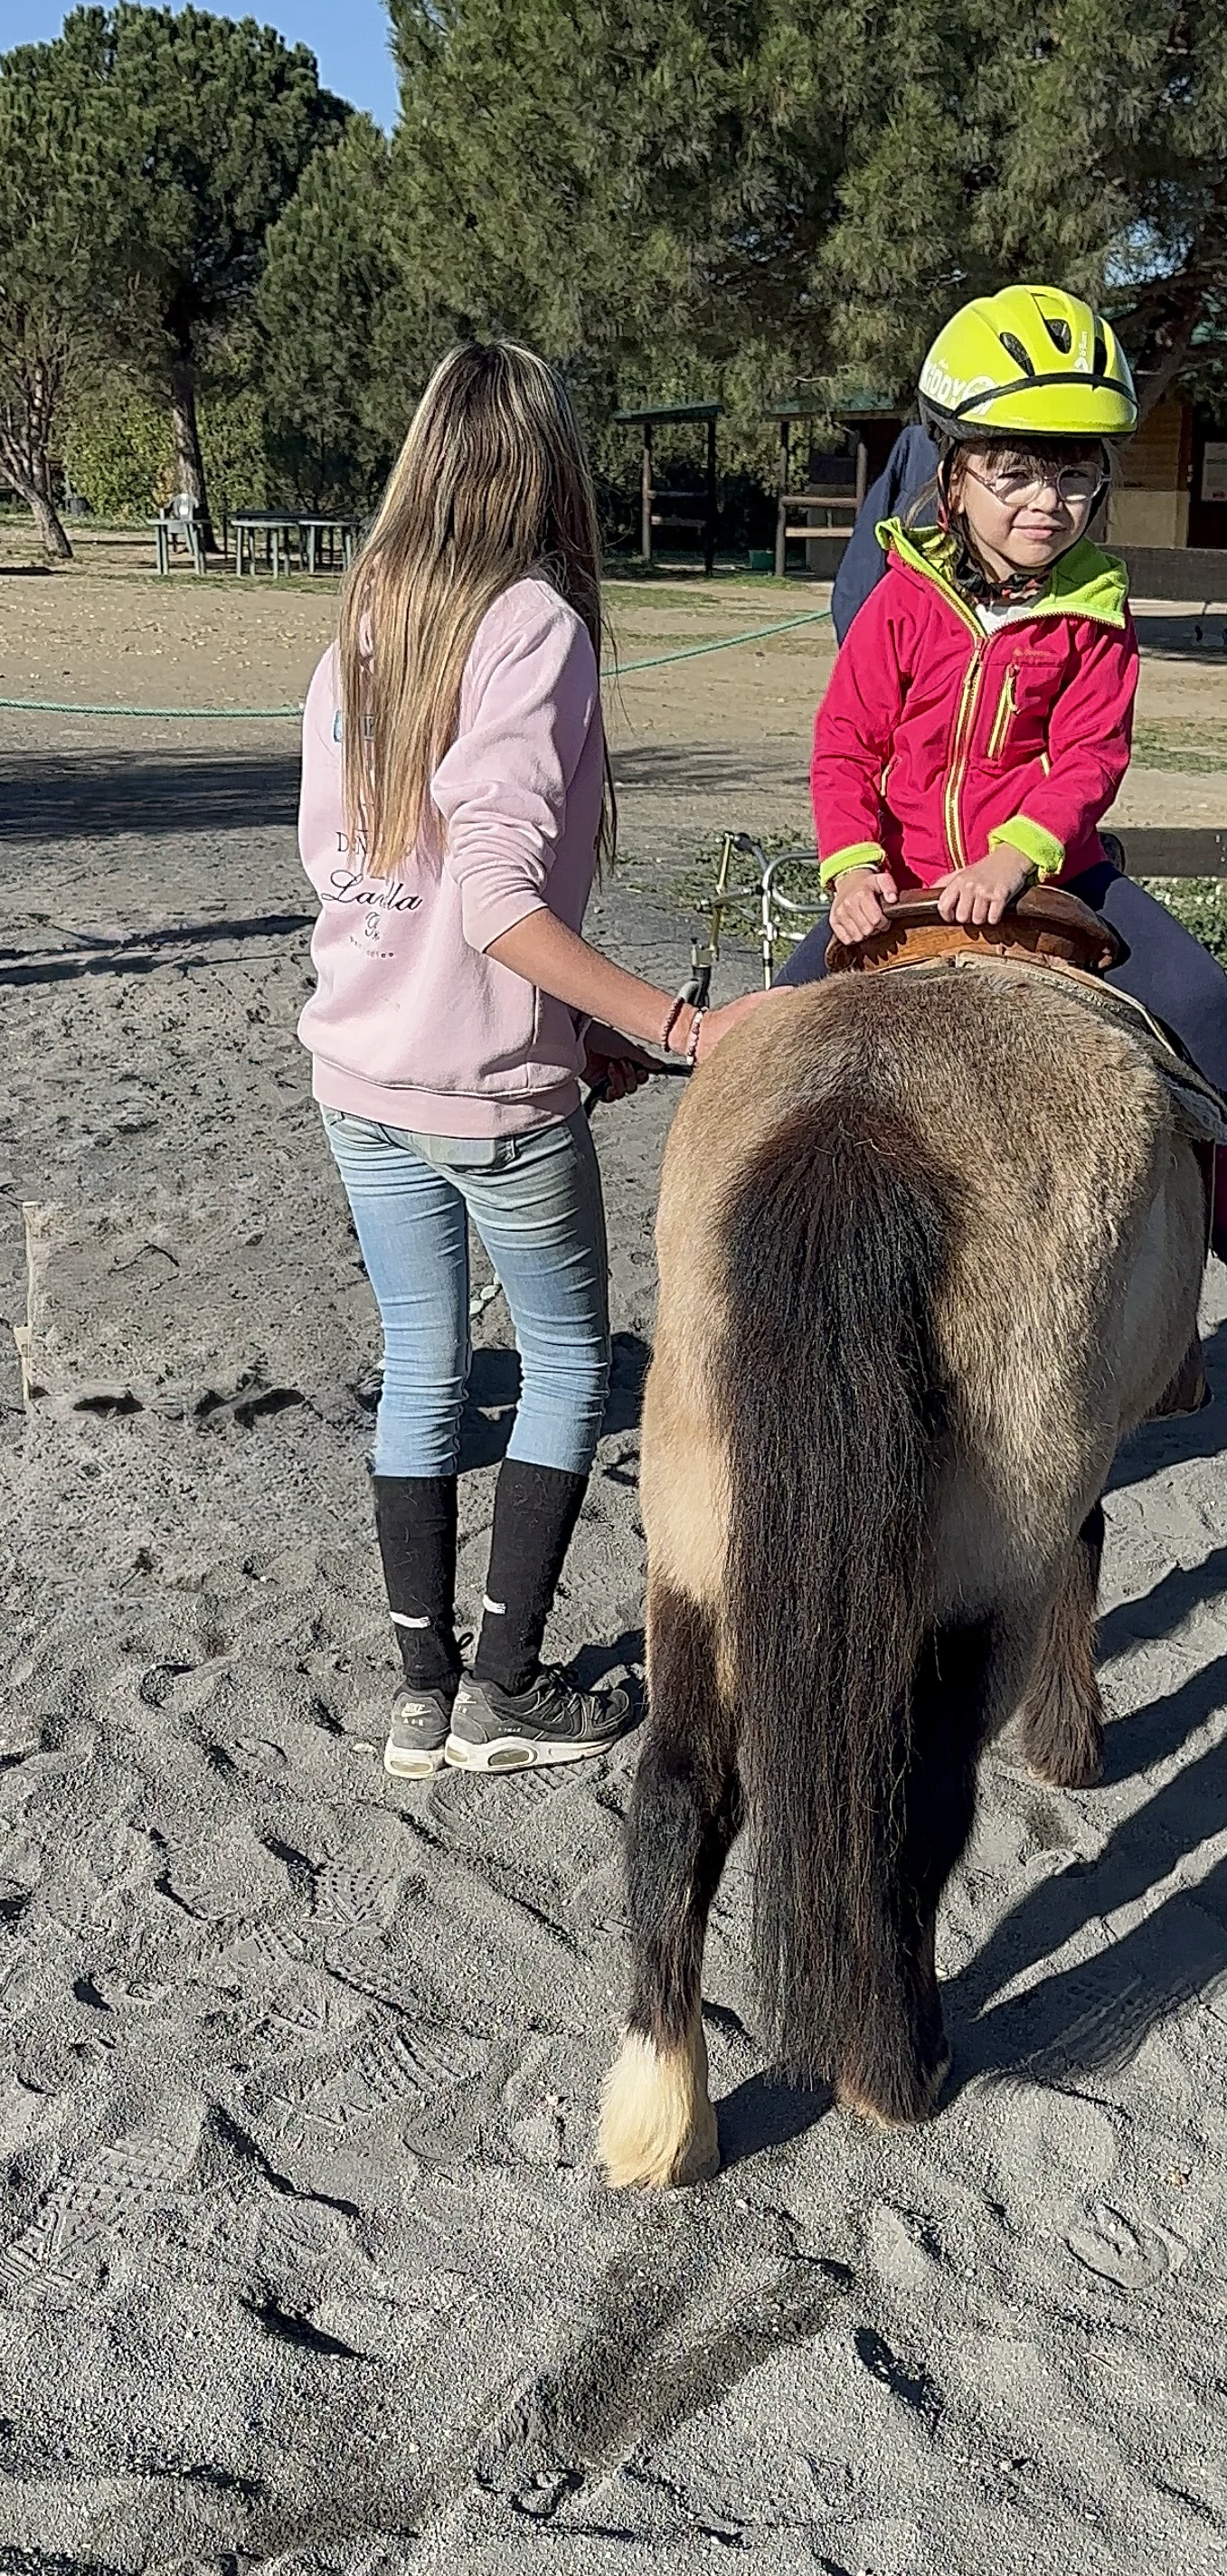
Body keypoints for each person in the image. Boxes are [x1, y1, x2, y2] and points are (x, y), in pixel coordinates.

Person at [297, 339, 752, 1782]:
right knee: (563, 1361)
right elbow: (491, 901)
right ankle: (506, 1687)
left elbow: (363, 873)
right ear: (546, 468)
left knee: (421, 1365)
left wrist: (574, 1029)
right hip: (485, 1098)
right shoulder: (532, 622)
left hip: (361, 1076)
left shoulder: (367, 615)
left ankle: (418, 1695)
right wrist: (672, 1028)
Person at [778, 285, 1227, 1300]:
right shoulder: (900, 599)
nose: (1043, 500)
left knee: (1199, 993)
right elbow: (844, 744)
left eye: (1072, 474)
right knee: (760, 1031)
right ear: (953, 477)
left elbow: (1089, 758)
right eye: (1013, 470)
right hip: (898, 878)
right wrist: (851, 865)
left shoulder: (1094, 611)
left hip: (1051, 867)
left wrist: (1016, 855)